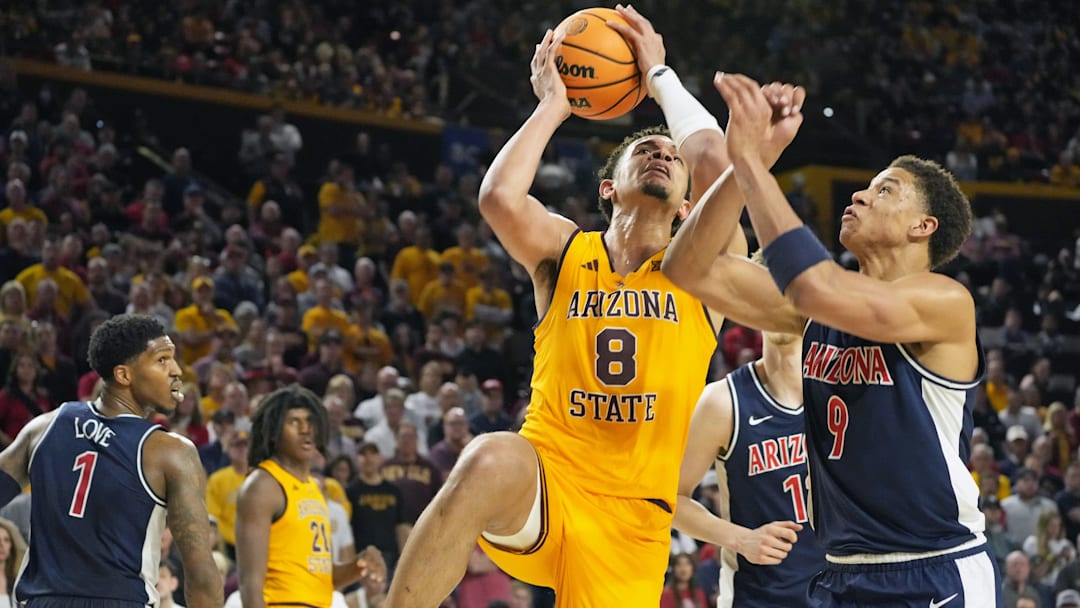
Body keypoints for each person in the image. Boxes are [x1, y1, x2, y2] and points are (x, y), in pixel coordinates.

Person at [386, 7, 802, 605]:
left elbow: (717, 161)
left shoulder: (702, 268)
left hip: (634, 516)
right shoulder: (564, 249)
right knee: (487, 457)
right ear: (607, 188)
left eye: (673, 158)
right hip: (550, 476)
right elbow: (500, 197)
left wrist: (658, 74)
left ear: (690, 206)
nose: (663, 155)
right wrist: (555, 104)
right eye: (645, 151)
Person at [663, 71, 1000, 605]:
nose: (861, 195)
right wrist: (754, 159)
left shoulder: (945, 303)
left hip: (933, 569)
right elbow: (688, 268)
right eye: (865, 186)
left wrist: (750, 162)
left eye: (884, 190)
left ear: (923, 227)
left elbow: (819, 288)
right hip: (840, 573)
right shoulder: (816, 305)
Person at [0, 314, 222, 606]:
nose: (177, 371)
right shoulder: (169, 452)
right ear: (124, 375)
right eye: (162, 360)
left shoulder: (44, 428)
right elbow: (201, 574)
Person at [674, 317, 824, 606]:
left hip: (840, 592)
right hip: (756, 597)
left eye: (788, 293)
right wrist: (740, 539)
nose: (778, 307)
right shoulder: (722, 401)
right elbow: (671, 500)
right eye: (768, 294)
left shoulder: (841, 392)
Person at [235, 385, 384, 608]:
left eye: (310, 421)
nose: (305, 429)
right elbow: (250, 584)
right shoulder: (263, 485)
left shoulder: (313, 488)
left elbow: (321, 578)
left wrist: (359, 565)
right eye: (294, 422)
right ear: (275, 432)